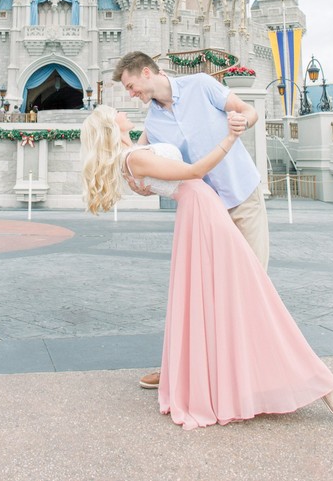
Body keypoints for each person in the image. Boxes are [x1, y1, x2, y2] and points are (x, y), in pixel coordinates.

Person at [81, 106, 333, 430]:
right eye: (114, 111)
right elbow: (195, 171)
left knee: (234, 294)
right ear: (110, 125)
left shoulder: (133, 150)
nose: (121, 109)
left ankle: (231, 378)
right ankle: (322, 383)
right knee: (255, 291)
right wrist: (230, 138)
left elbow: (155, 135)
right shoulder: (132, 159)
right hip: (202, 208)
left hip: (200, 210)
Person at [113, 50, 269, 390]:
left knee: (254, 284)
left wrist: (244, 120)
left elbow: (247, 110)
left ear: (145, 72)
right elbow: (146, 162)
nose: (130, 94)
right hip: (207, 212)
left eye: (130, 86)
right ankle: (183, 369)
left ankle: (259, 371)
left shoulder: (201, 85)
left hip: (243, 196)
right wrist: (142, 186)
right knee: (202, 292)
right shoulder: (152, 123)